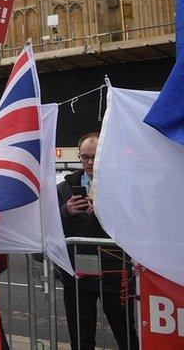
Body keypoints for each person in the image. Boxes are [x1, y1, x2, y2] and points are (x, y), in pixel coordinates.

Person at [57, 133, 138, 350]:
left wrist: (106, 210)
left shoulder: (122, 184)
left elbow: (136, 219)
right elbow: (50, 223)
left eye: (94, 157)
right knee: (81, 336)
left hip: (114, 271)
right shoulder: (65, 188)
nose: (90, 162)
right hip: (77, 273)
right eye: (85, 157)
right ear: (79, 156)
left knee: (125, 333)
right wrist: (67, 210)